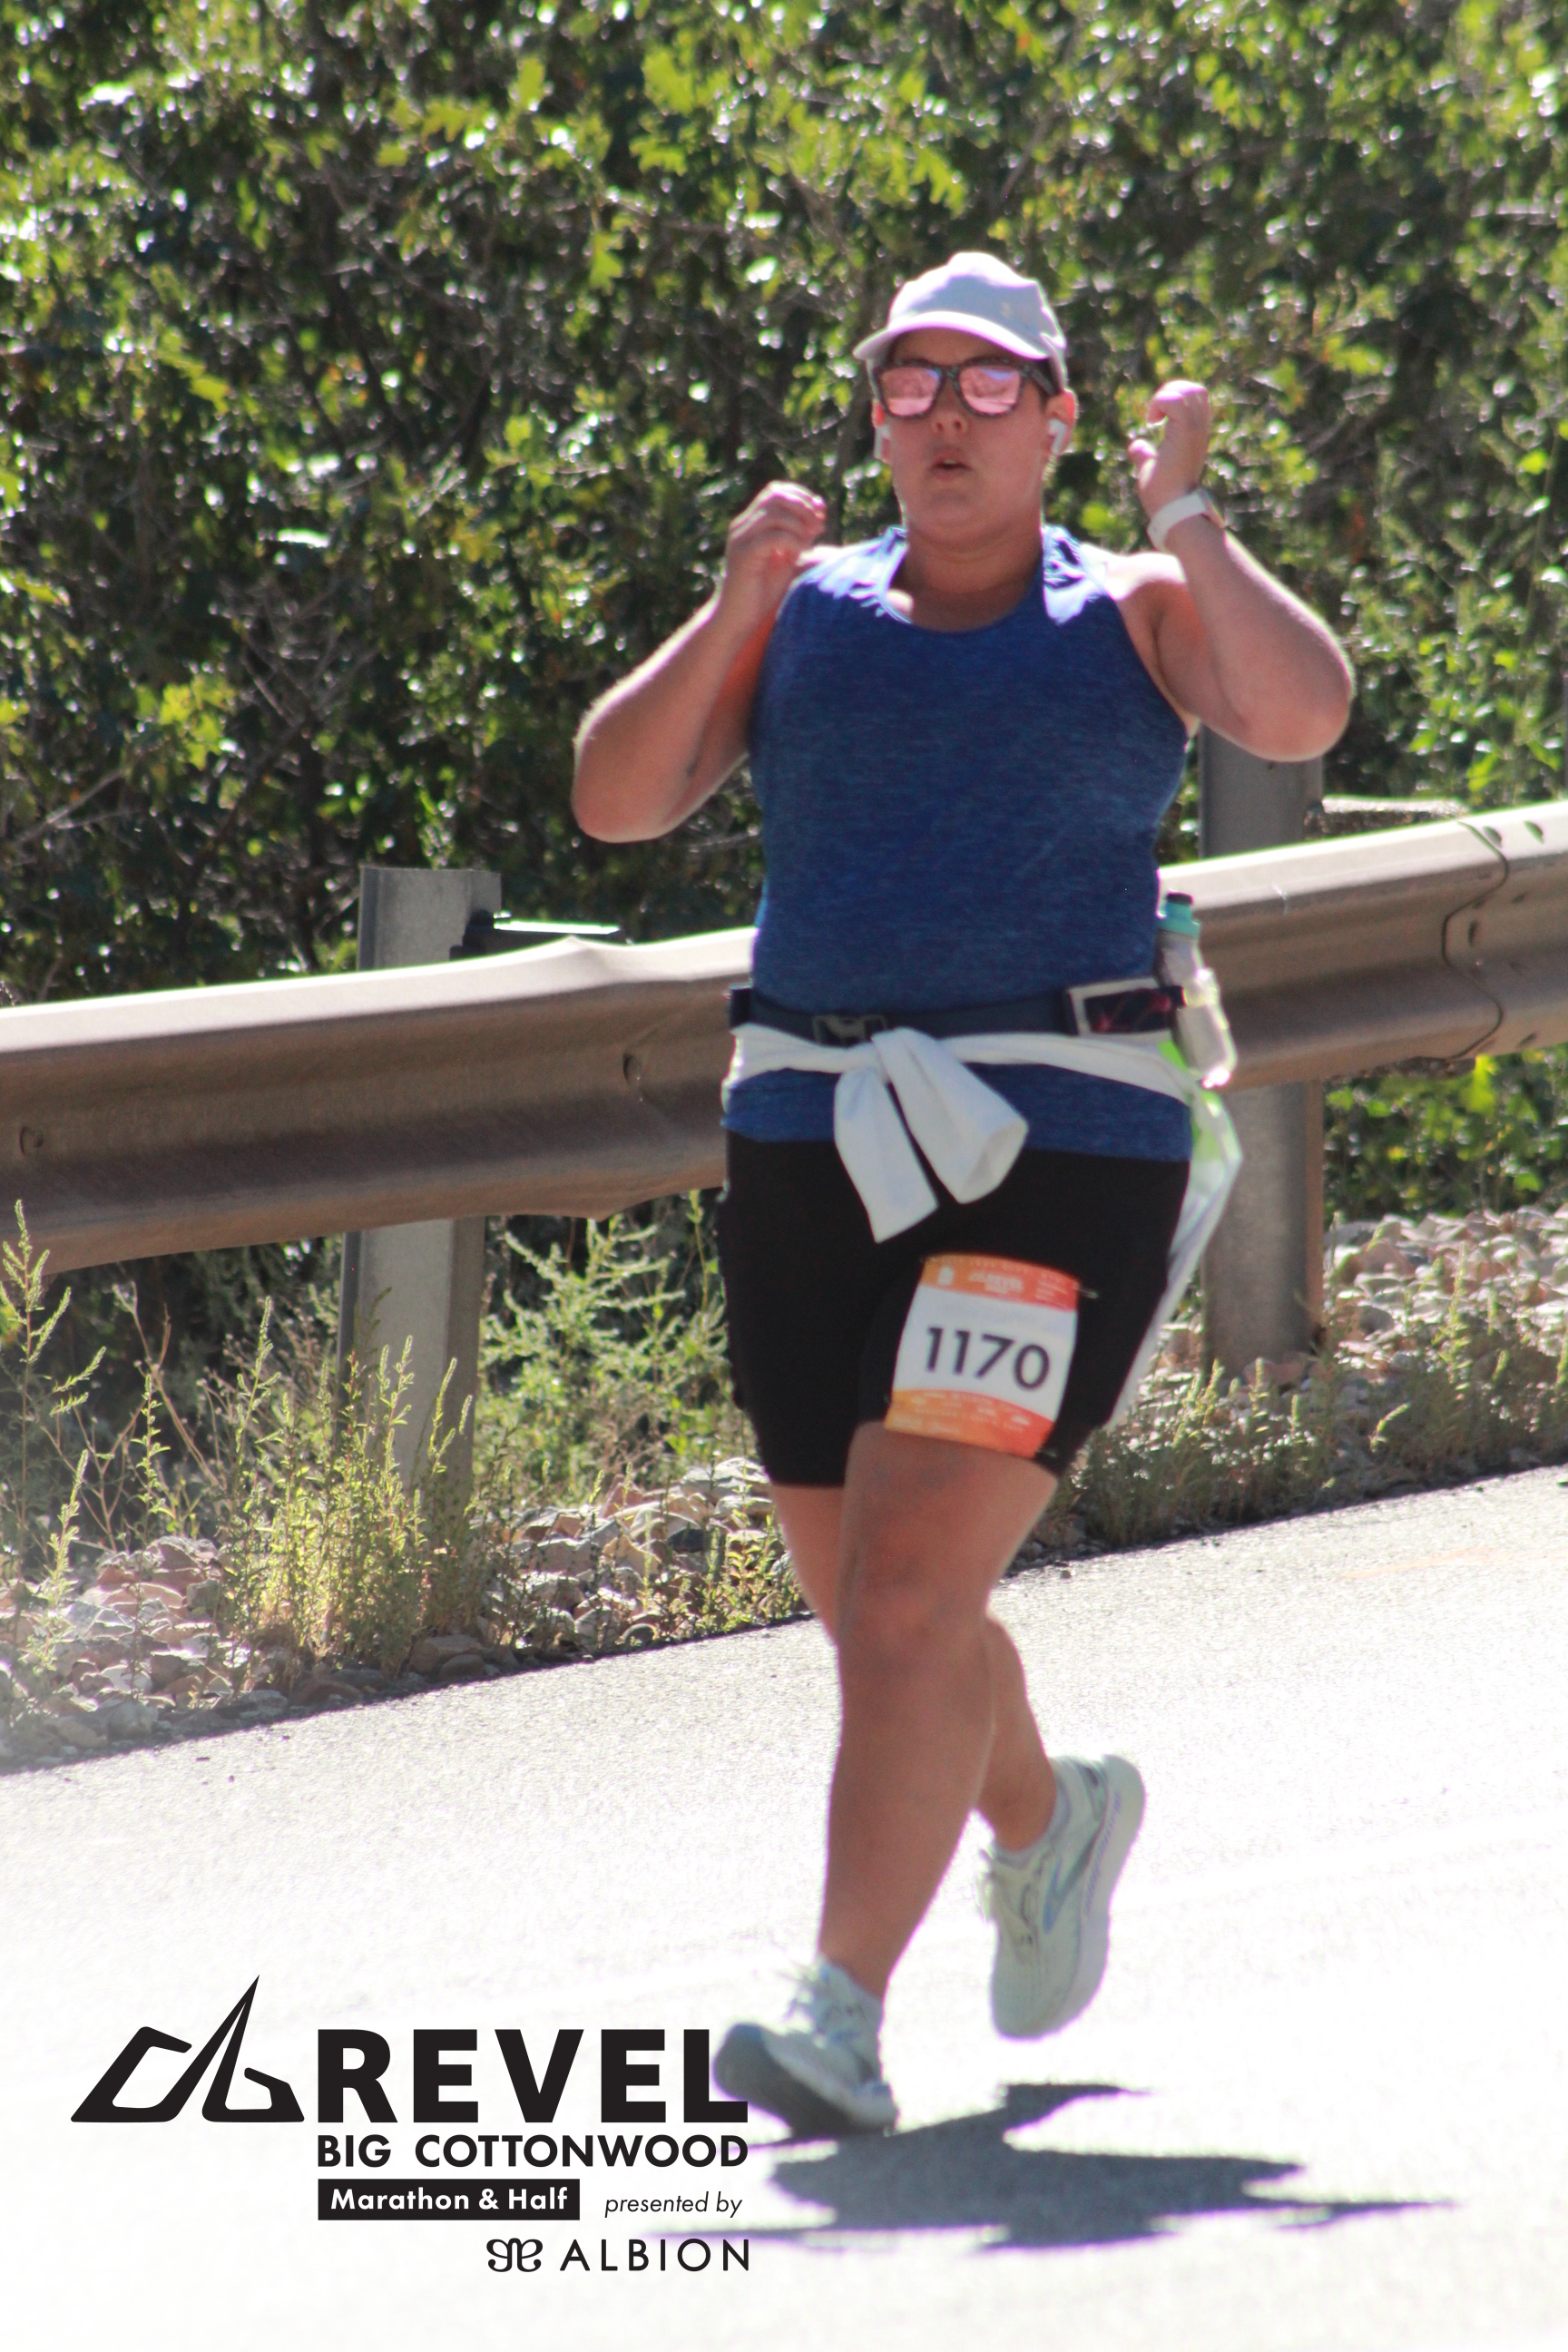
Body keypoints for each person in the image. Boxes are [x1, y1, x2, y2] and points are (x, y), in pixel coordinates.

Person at [572, 252, 1352, 2138]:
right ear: (873, 417)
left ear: (1058, 419)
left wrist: (1191, 515)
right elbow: (617, 800)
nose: (945, 416)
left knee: (916, 1586)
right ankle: (1048, 1815)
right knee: (877, 1612)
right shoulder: (807, 609)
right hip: (814, 1128)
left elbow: (1300, 713)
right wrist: (733, 597)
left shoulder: (1135, 605)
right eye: (909, 383)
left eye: (990, 384)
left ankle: (835, 2012)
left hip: (1061, 1140)